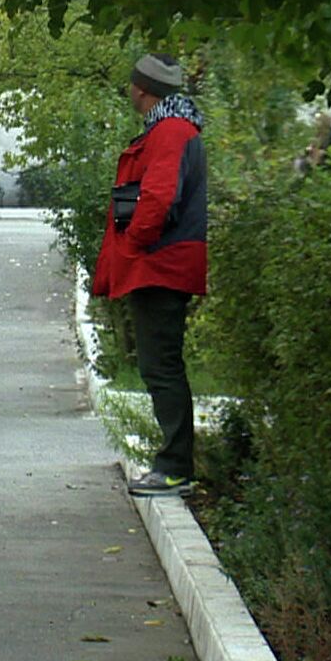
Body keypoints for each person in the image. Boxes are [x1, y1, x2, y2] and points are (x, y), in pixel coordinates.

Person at [93, 53, 208, 497]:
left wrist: (136, 244)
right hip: (164, 261)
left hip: (161, 264)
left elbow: (157, 199)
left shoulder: (171, 132)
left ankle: (175, 467)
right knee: (159, 364)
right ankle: (174, 461)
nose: (129, 89)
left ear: (142, 88)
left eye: (132, 83)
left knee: (160, 366)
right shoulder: (173, 128)